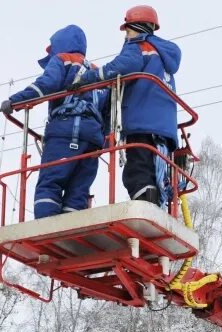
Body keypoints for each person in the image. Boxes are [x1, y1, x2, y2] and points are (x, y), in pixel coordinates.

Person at [75, 5, 182, 206]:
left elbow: (119, 67)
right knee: (153, 168)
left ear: (136, 27)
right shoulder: (165, 56)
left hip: (141, 122)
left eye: (127, 29)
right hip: (165, 129)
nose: (125, 34)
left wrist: (86, 79)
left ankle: (146, 206)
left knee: (137, 169)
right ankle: (158, 203)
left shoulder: (138, 46)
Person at [1, 26, 108, 218]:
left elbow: (46, 84)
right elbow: (108, 112)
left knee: (50, 183)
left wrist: (16, 100)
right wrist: (104, 142)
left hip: (65, 132)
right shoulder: (98, 72)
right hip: (93, 139)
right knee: (78, 189)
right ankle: (71, 232)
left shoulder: (62, 60)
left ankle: (46, 230)